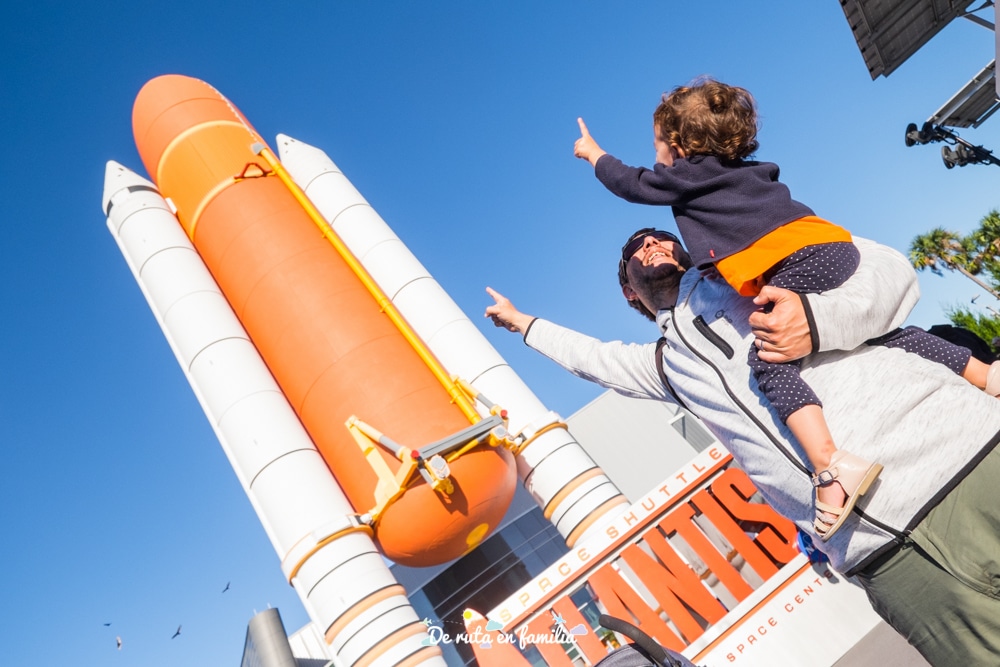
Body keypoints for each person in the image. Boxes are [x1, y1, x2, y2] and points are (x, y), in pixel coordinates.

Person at [484, 228, 1000, 665]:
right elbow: (592, 358)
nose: (651, 245)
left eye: (660, 236)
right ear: (628, 292)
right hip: (883, 557)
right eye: (635, 250)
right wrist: (523, 323)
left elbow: (876, 267)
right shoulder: (666, 368)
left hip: (969, 457)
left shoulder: (755, 274)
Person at [572, 78, 1000, 540]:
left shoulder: (689, 175)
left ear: (678, 146)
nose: (656, 157)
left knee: (768, 362)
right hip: (831, 245)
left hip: (797, 263)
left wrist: (594, 155)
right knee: (882, 334)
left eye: (657, 145)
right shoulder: (745, 171)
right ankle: (984, 374)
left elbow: (633, 184)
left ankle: (831, 468)